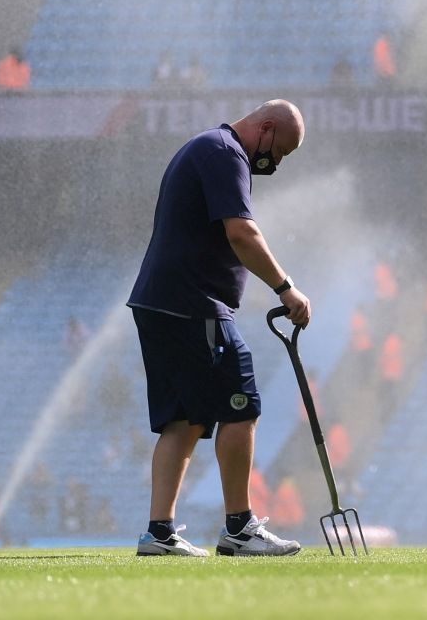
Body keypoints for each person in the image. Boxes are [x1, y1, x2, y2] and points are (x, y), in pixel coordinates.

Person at [127, 101, 312, 558]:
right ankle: (240, 528)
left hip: (160, 303)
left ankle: (159, 534)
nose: (277, 162)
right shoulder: (226, 153)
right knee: (241, 405)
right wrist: (286, 289)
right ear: (265, 128)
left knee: (184, 420)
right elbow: (242, 234)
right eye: (280, 150)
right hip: (194, 305)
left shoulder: (208, 147)